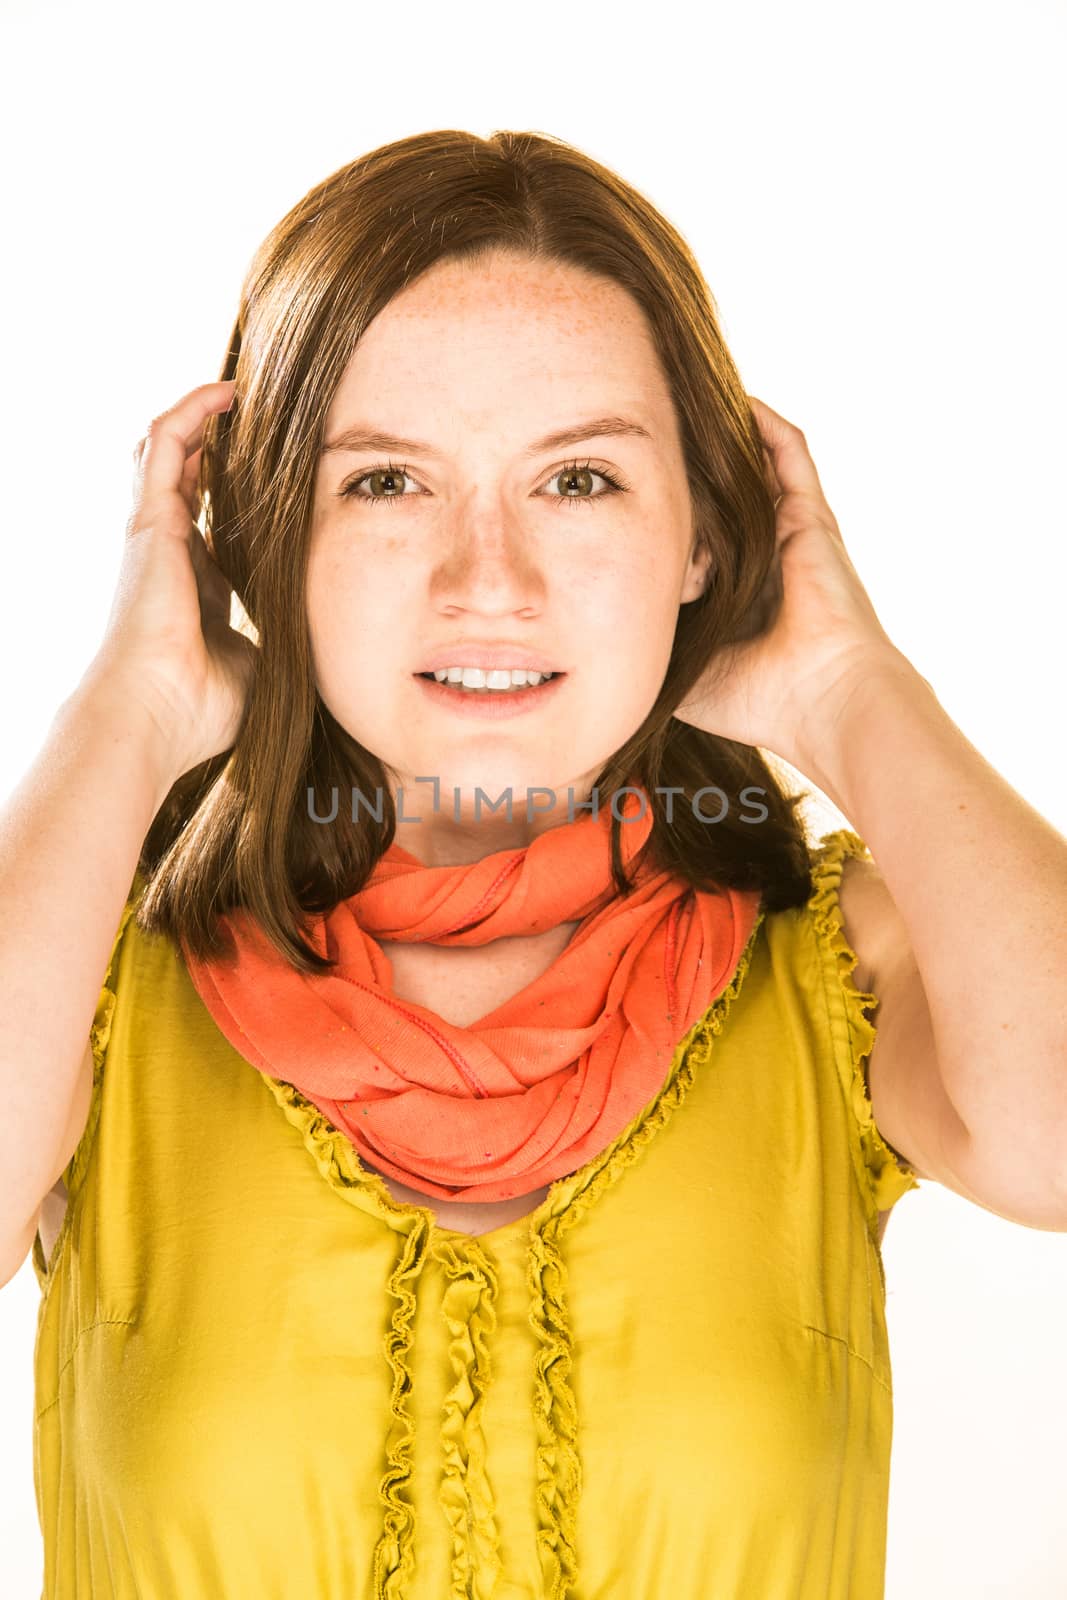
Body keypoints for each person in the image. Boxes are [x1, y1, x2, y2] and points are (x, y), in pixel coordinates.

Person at [4, 128, 1066, 1600]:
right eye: (383, 484)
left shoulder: (835, 970)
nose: (487, 580)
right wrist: (126, 713)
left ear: (704, 535)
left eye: (578, 481)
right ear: (261, 538)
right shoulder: (91, 981)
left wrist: (846, 688)